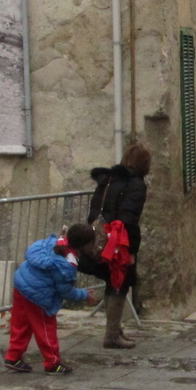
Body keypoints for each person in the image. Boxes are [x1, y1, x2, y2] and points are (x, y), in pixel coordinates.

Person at [79, 143, 150, 349]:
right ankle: (111, 334)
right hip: (118, 241)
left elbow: (94, 211)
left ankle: (115, 329)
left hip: (100, 238)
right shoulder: (136, 185)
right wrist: (132, 250)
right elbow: (130, 218)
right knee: (120, 282)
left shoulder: (107, 180)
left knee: (112, 281)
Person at [4, 225, 99, 375]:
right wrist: (85, 295)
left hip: (21, 285)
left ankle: (13, 357)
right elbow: (66, 291)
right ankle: (52, 363)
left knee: (21, 324)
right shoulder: (67, 264)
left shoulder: (50, 243)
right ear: (84, 245)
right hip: (39, 296)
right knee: (46, 330)